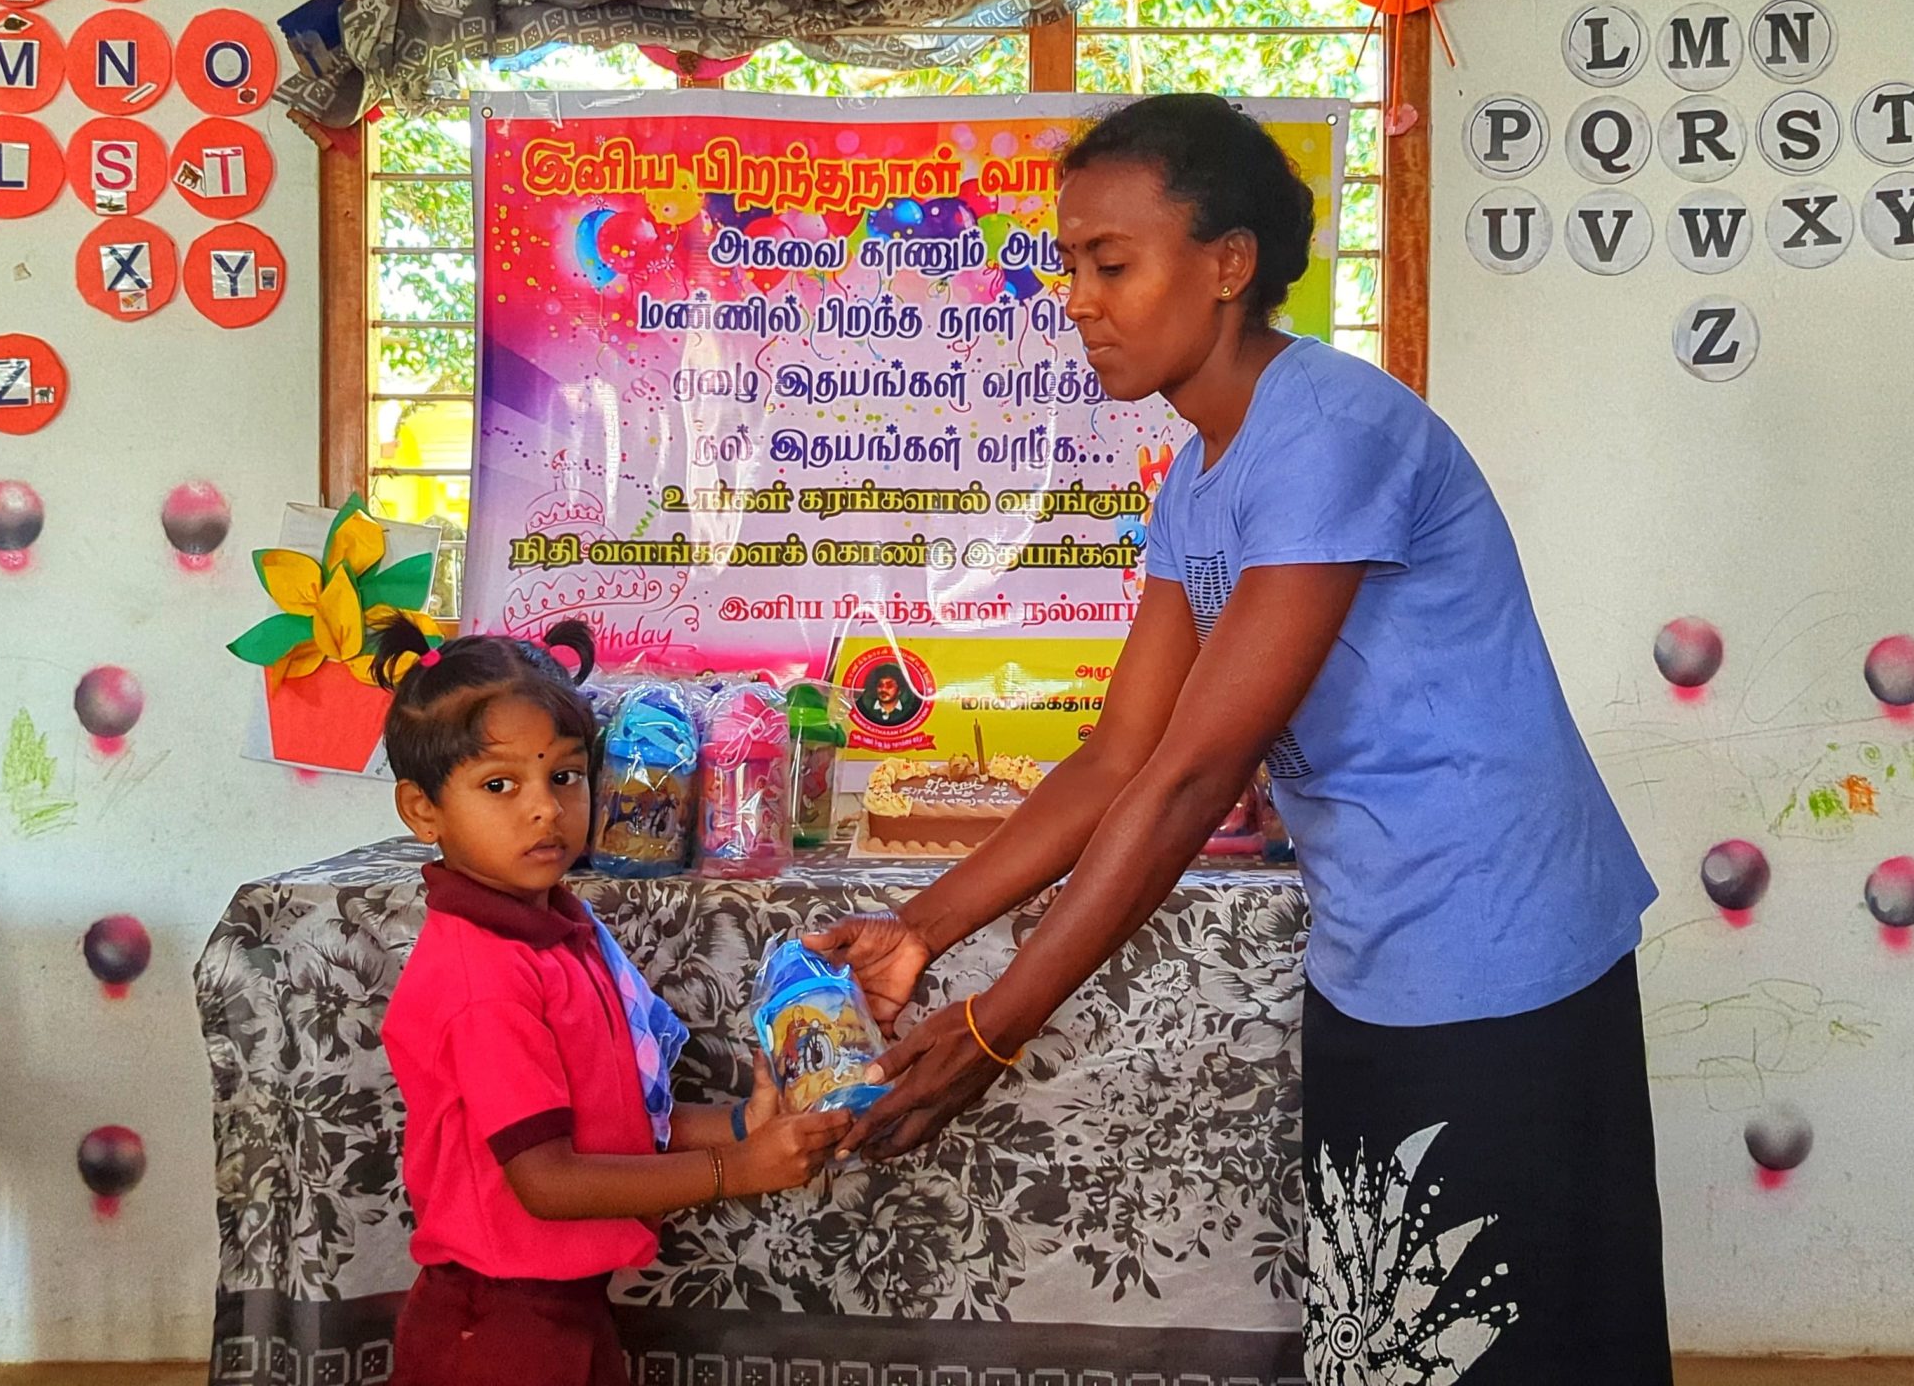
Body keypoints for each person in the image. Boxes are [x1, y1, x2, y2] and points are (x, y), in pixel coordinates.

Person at [810, 93, 1672, 1383]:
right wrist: (922, 930)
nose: (1078, 301)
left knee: (1498, 1336)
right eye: (1068, 266)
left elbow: (1195, 772)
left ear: (1226, 264)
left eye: (1111, 264)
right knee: (1389, 1322)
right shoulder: (1202, 472)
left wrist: (995, 1028)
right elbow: (1119, 755)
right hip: (1376, 946)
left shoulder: (1327, 432)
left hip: (1501, 942)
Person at [371, 617, 851, 1386]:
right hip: (496, 1330)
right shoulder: (482, 977)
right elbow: (548, 1179)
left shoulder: (560, 935)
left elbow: (612, 1122)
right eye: (499, 785)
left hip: (564, 1307)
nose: (544, 809)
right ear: (422, 809)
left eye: (565, 776)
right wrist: (735, 1168)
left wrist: (739, 1124)